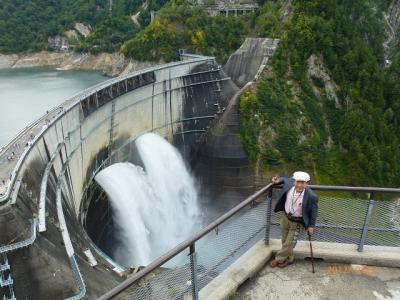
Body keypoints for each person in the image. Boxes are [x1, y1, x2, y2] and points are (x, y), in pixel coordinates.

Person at [270, 171, 318, 268]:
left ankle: (278, 259)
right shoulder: (289, 184)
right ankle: (290, 259)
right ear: (294, 181)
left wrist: (311, 226)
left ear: (306, 183)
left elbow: (314, 212)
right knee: (284, 240)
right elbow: (284, 179)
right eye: (298, 182)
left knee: (289, 244)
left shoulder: (312, 196)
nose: (299, 185)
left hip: (297, 222)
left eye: (302, 182)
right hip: (285, 217)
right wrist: (278, 180)